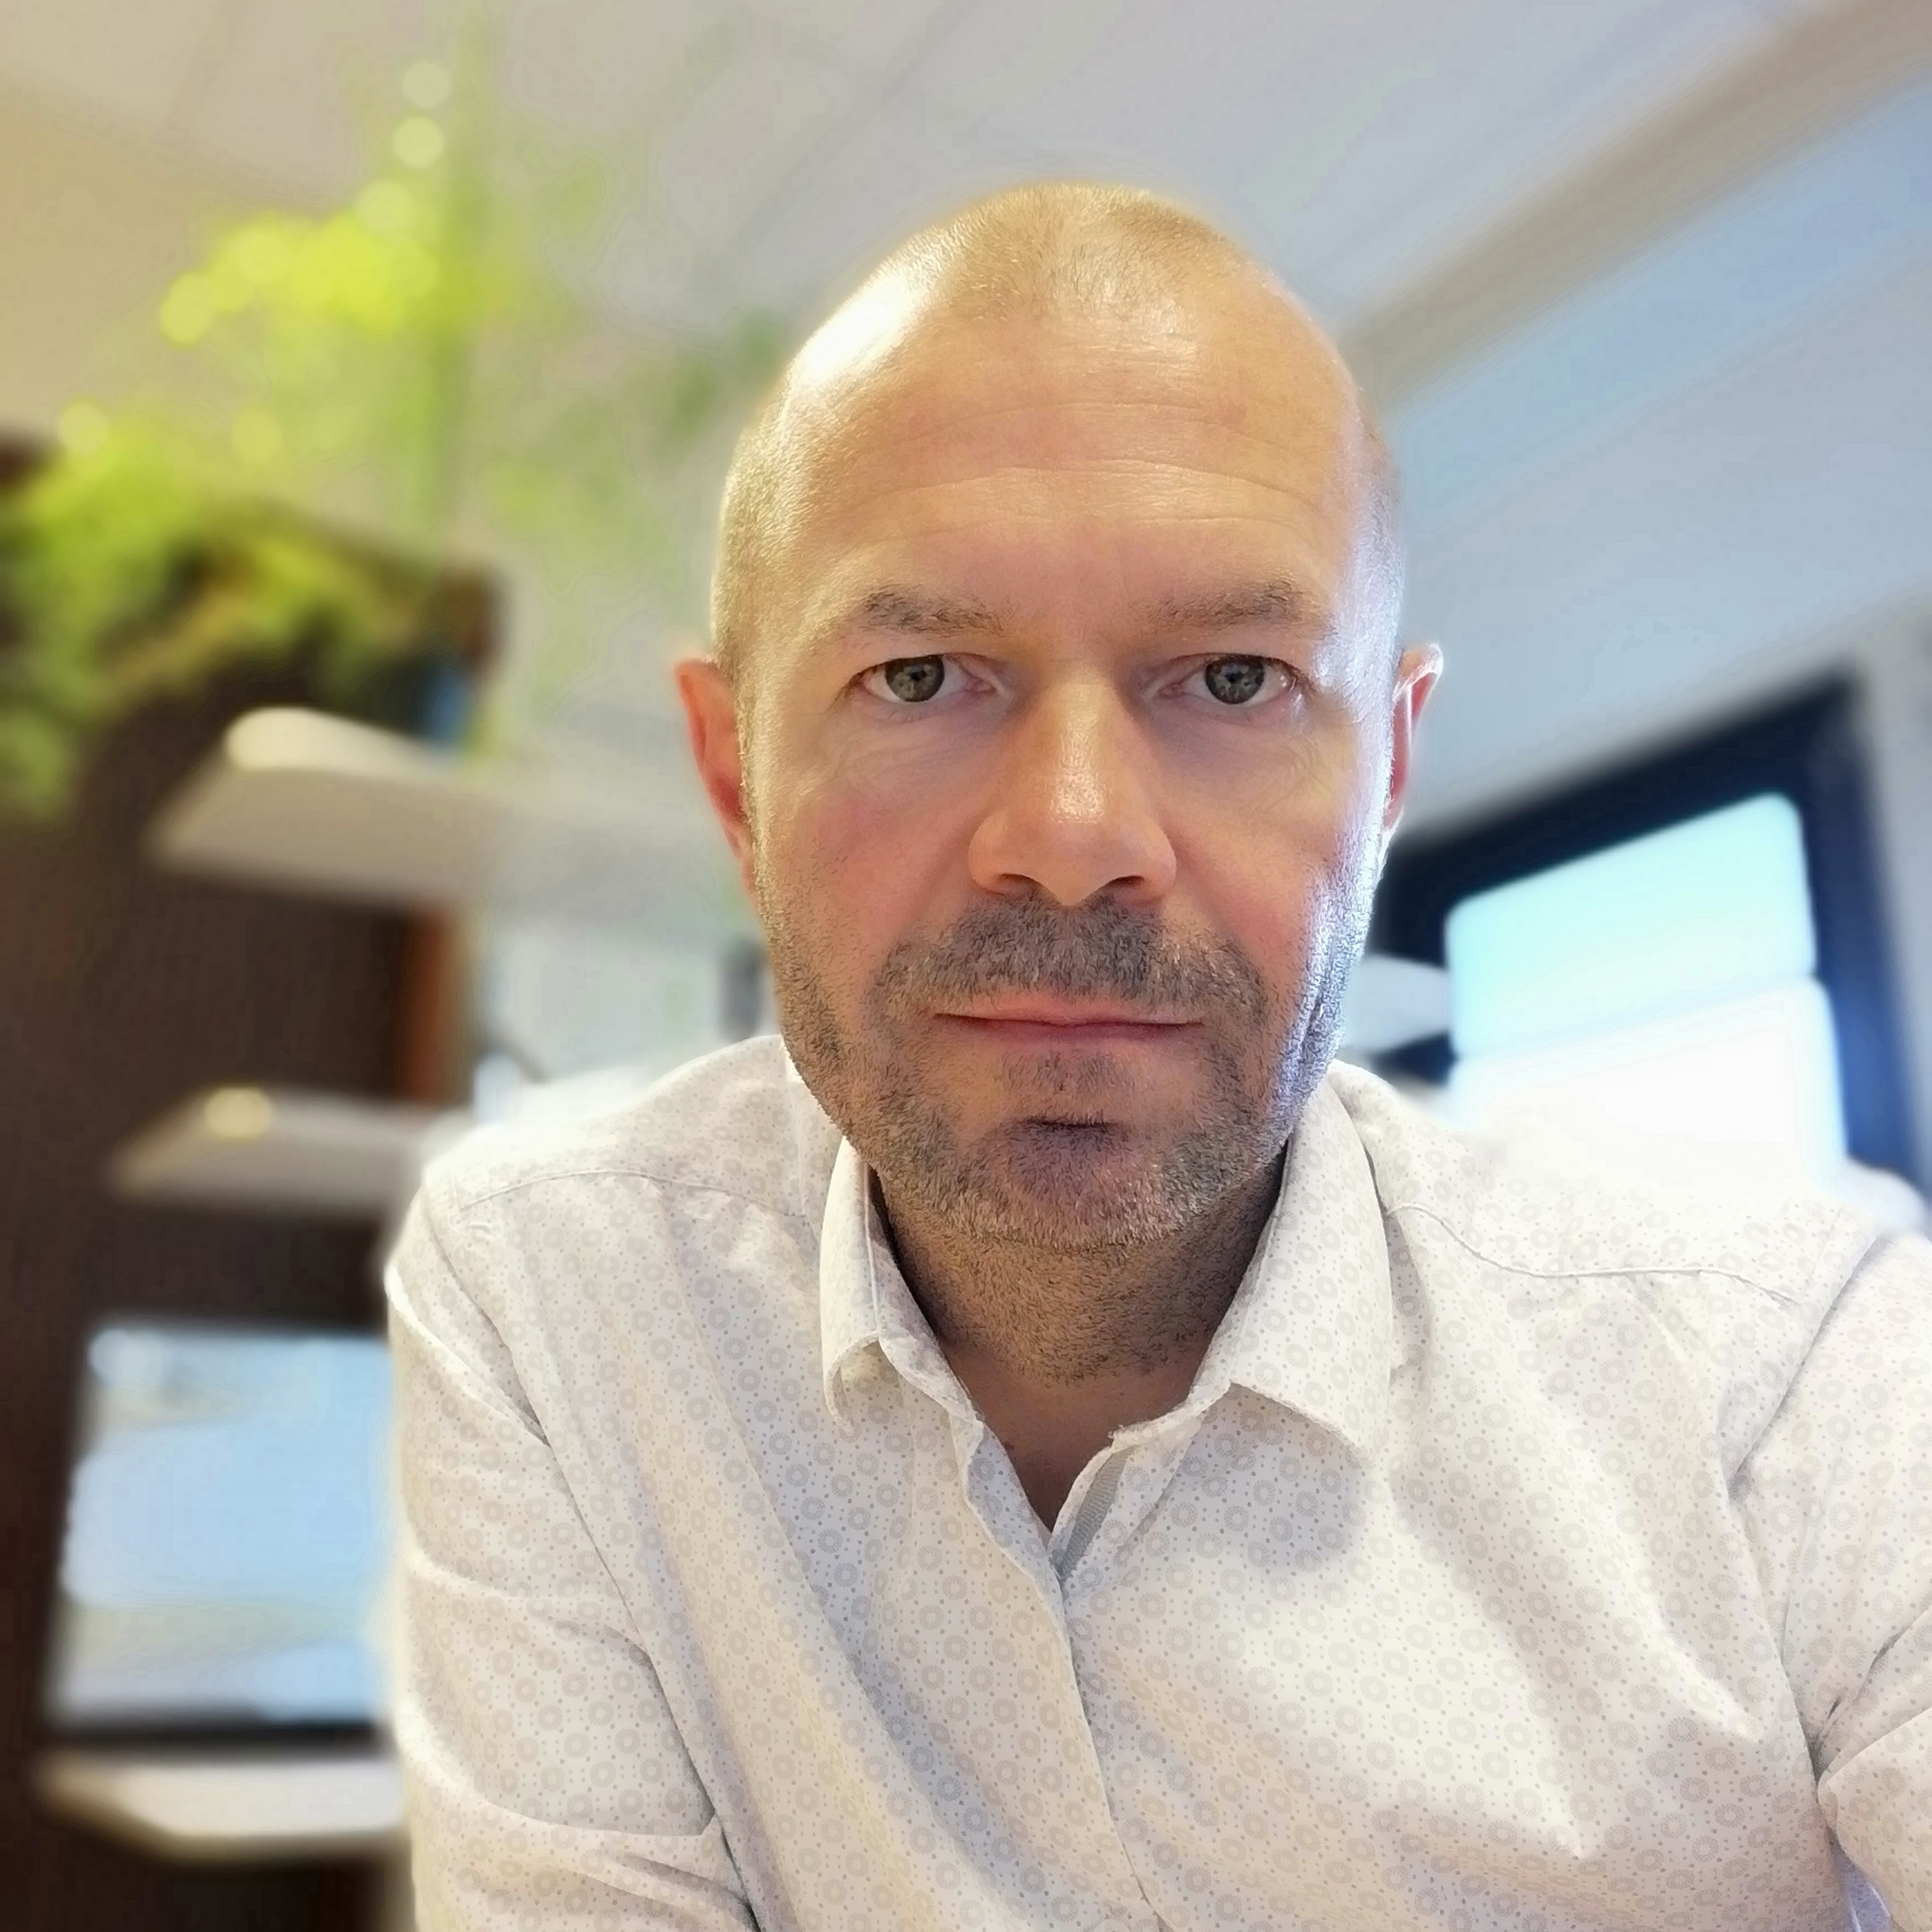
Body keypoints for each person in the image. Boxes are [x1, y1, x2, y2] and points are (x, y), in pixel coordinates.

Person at [386, 184, 1931, 1932]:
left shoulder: (1794, 1371)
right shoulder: (559, 1299)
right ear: (735, 778)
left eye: (1236, 679)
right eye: (921, 676)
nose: (1075, 838)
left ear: (1389, 772)